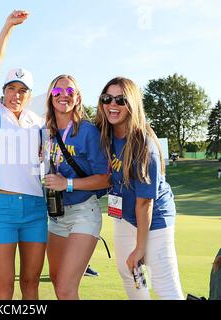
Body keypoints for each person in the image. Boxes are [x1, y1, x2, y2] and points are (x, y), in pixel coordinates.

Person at [95, 76, 184, 300]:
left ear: (132, 103)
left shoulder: (144, 145)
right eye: (107, 98)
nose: (112, 105)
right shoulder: (104, 133)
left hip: (154, 219)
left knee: (164, 285)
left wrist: (140, 247)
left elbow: (145, 202)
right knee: (129, 272)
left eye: (120, 100)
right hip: (124, 215)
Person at [0, 10, 47, 300]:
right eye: (11, 88)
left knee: (31, 284)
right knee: (4, 287)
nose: (16, 95)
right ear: (3, 91)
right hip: (3, 209)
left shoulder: (41, 123)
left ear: (30, 94)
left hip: (36, 208)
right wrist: (7, 27)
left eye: (22, 90)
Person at [43, 75, 110, 300]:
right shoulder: (46, 132)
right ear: (50, 97)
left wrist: (67, 183)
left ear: (78, 98)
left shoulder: (88, 132)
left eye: (70, 92)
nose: (64, 95)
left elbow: (106, 178)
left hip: (84, 212)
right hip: (56, 214)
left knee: (65, 287)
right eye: (57, 92)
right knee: (56, 279)